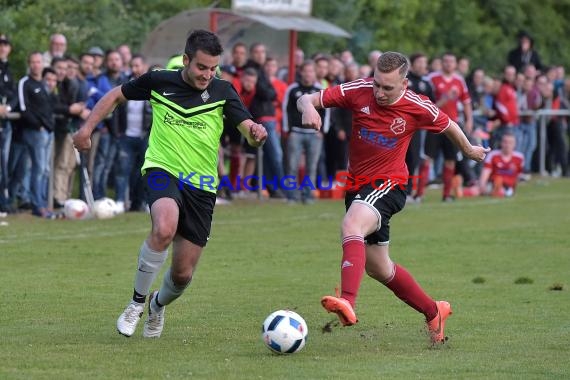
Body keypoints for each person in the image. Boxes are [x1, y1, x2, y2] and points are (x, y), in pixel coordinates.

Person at [73, 30, 267, 338]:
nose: (208, 74)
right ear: (187, 60)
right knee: (163, 228)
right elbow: (114, 96)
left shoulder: (223, 90)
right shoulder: (158, 81)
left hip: (202, 184)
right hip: (162, 168)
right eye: (202, 67)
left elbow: (247, 129)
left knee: (182, 274)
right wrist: (86, 129)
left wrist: (256, 133)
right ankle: (136, 303)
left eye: (213, 68)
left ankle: (156, 305)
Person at [297, 51, 489, 345]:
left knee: (351, 226)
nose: (379, 93)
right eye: (377, 84)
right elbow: (305, 98)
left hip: (390, 184)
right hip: (358, 187)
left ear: (404, 83)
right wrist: (309, 108)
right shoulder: (358, 91)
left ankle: (347, 300)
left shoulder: (416, 105)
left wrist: (468, 150)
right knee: (378, 267)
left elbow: (448, 123)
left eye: (388, 87)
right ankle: (433, 311)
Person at [0, 34, 17, 215]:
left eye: (5, 44)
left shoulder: (8, 69)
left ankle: (3, 202)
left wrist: (7, 107)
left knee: (3, 164)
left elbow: (12, 94)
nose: (2, 47)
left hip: (5, 122)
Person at [479, 132, 523, 197]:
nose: (507, 145)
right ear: (501, 143)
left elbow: (518, 176)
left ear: (514, 144)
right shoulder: (493, 155)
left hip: (509, 187)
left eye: (510, 142)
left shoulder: (519, 158)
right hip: (492, 184)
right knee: (476, 190)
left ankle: (501, 190)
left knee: (502, 190)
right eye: (505, 142)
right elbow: (485, 172)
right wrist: (482, 186)